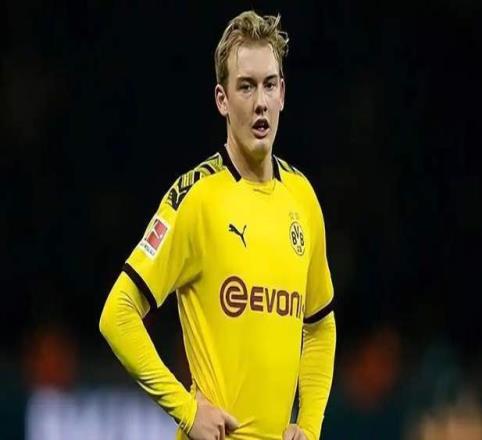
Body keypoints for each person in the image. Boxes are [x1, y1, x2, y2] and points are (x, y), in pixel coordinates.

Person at [99, 10, 336, 440]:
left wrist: (309, 425)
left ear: (283, 93)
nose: (260, 102)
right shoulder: (196, 197)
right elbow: (117, 314)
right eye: (246, 86)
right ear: (222, 99)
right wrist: (187, 411)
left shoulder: (302, 198)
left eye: (269, 85)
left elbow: (320, 324)